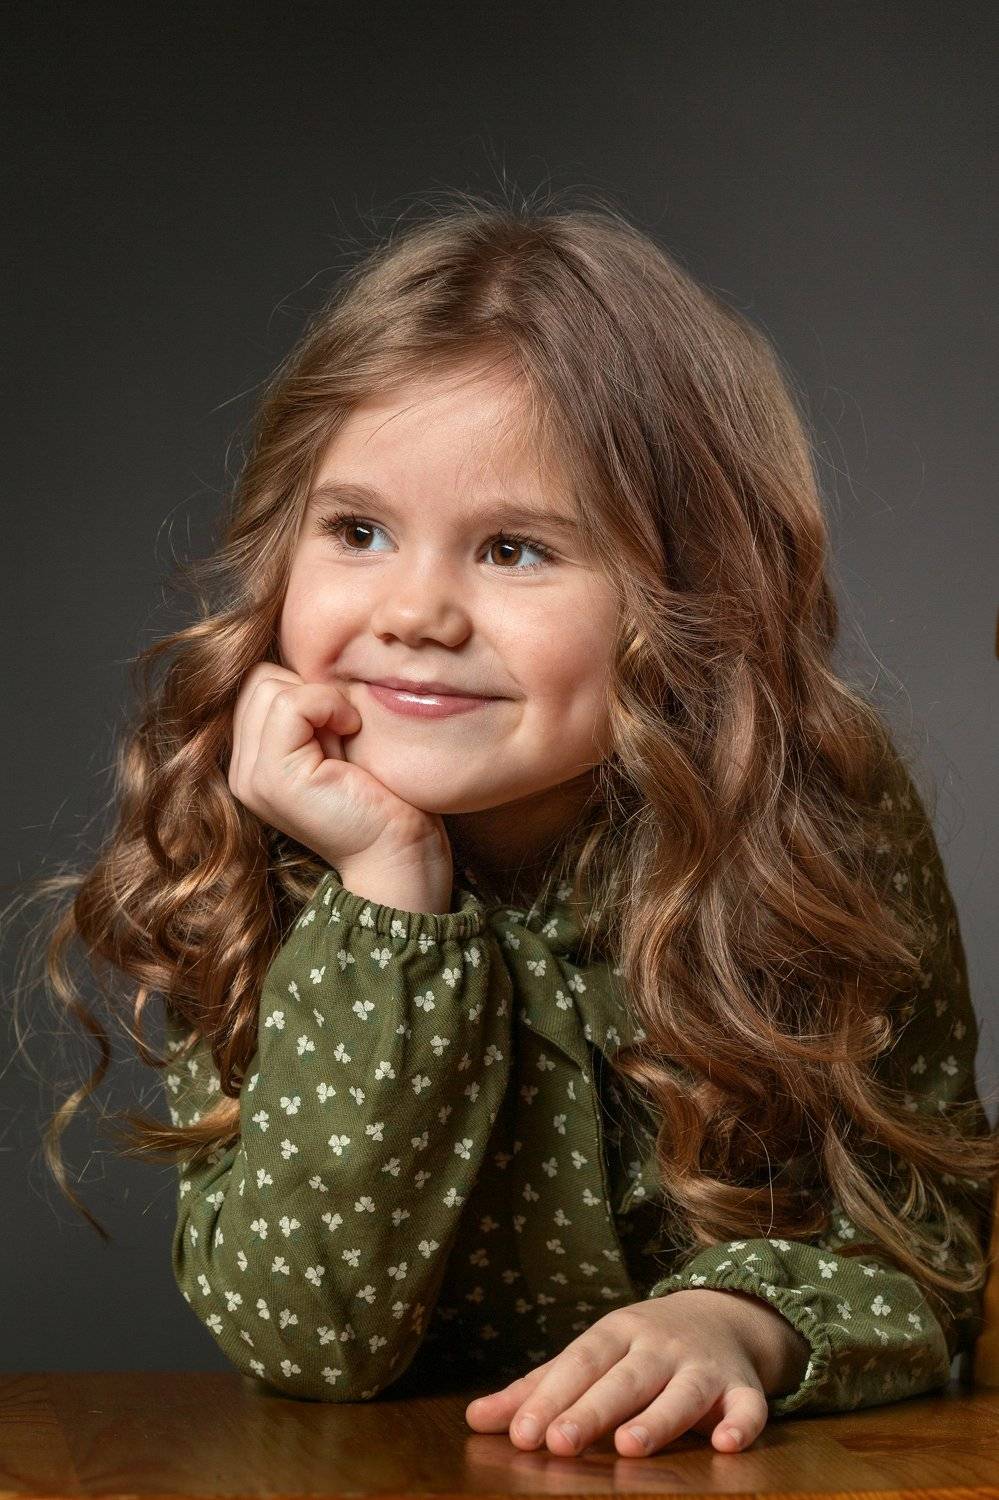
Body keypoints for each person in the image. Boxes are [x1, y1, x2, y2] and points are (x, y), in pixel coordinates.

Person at [15, 194, 998, 1459]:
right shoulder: (255, 842)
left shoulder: (814, 815)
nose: (415, 612)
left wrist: (741, 1323)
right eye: (358, 531)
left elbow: (929, 1239)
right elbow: (304, 1338)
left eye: (516, 550)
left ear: (689, 590)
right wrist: (388, 893)